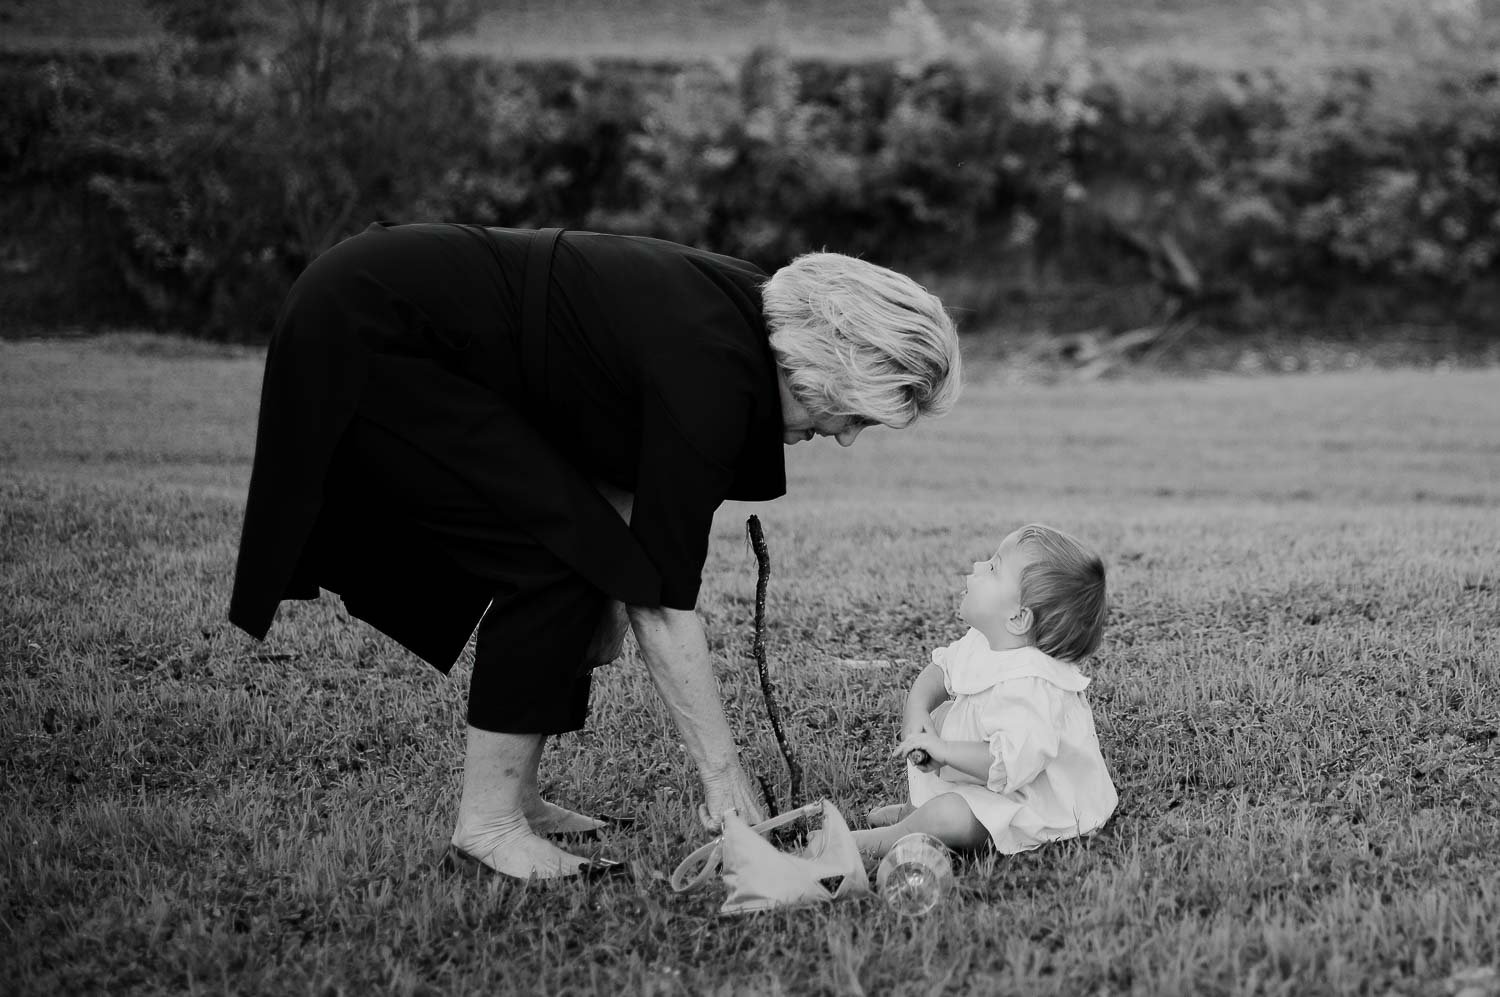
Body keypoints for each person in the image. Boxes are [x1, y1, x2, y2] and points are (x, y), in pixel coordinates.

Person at [227, 222, 961, 880]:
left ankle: (518, 801)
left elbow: (616, 479)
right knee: (550, 555)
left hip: (385, 307)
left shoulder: (749, 316)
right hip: (373, 331)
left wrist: (608, 599)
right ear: (829, 366)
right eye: (856, 414)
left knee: (581, 552)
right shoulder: (713, 377)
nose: (844, 437)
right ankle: (488, 824)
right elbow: (665, 603)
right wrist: (724, 777)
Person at [854, 524, 1116, 859]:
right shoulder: (986, 641)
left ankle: (884, 839)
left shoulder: (1031, 687)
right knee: (944, 716)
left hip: (1030, 803)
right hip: (988, 781)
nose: (978, 567)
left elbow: (1005, 763)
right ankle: (916, 810)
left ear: (1018, 618)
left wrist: (944, 750)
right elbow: (941, 671)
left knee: (949, 815)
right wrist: (917, 709)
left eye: (993, 568)